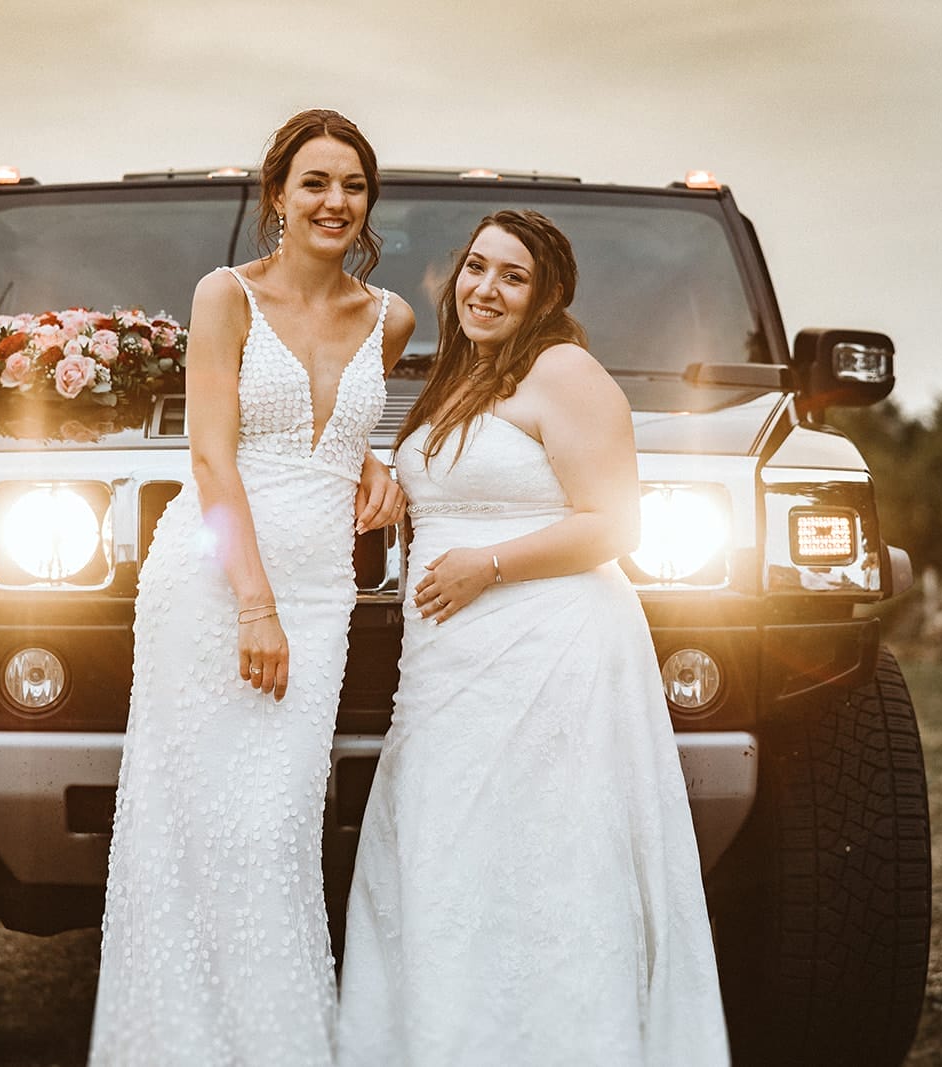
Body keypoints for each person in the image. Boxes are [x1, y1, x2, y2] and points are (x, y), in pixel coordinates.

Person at [336, 210, 731, 1065]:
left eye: (512, 277)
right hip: (448, 670)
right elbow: (458, 482)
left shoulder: (566, 371)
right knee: (451, 858)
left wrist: (490, 565)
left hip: (550, 656)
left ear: (547, 294)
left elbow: (614, 524)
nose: (485, 288)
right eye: (476, 268)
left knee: (543, 866)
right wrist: (396, 486)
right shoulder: (463, 375)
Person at [89, 109, 415, 1066]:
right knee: (189, 833)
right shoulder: (224, 295)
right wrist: (253, 605)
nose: (335, 201)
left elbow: (344, 435)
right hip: (214, 585)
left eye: (352, 185)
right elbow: (210, 457)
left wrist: (379, 464)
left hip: (320, 595)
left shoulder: (389, 317)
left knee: (273, 831)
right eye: (315, 182)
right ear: (278, 193)